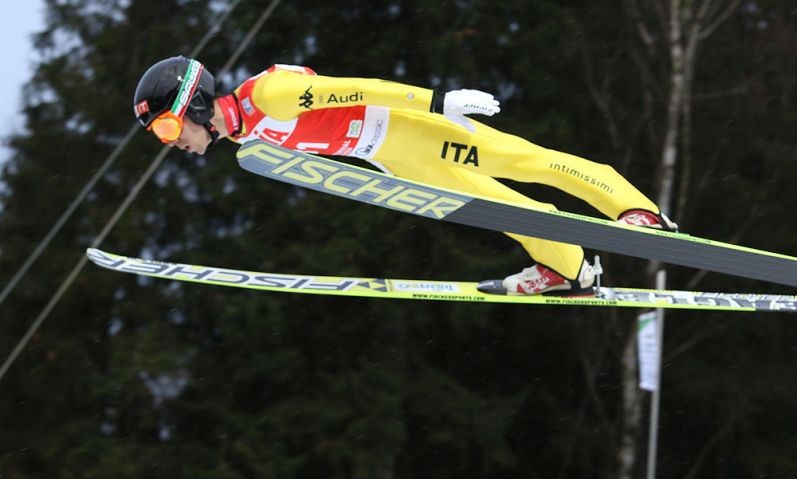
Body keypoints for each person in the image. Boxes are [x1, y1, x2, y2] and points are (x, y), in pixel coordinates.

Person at [133, 56, 676, 296]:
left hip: (412, 129)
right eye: (161, 135)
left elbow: (364, 89)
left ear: (195, 103)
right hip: (394, 158)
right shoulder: (244, 138)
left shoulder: (269, 95)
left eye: (168, 127)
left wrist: (439, 102)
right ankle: (569, 270)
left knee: (522, 162)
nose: (172, 142)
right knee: (499, 210)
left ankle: (636, 210)